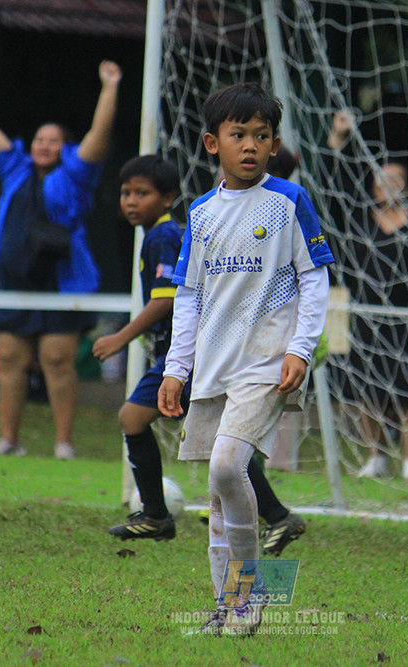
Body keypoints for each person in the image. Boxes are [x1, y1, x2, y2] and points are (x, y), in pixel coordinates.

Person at [158, 82, 334, 636]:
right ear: (213, 143)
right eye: (240, 135)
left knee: (227, 466)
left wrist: (300, 350)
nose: (252, 145)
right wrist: (175, 368)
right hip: (213, 367)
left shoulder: (288, 202)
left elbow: (315, 277)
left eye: (263, 136)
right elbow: (187, 296)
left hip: (265, 363)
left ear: (275, 144)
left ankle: (253, 590)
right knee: (217, 492)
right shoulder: (202, 213)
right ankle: (228, 609)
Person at [97, 155, 306, 555]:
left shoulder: (164, 236)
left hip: (193, 353)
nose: (131, 201)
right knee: (222, 444)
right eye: (126, 193)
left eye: (142, 193)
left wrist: (121, 337)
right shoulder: (166, 232)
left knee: (147, 422)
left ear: (168, 198)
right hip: (194, 352)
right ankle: (273, 515)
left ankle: (159, 514)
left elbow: (168, 299)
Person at [0, 52, 121, 460]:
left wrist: (109, 87)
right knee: (12, 359)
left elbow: (98, 138)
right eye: (39, 139)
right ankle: (8, 439)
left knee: (56, 360)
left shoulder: (76, 174)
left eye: (53, 140)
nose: (45, 145)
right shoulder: (14, 169)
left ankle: (64, 443)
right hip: (13, 278)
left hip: (61, 280)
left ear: (64, 147)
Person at [326, 110, 408, 481]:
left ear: (406, 186)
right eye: (380, 180)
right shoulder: (360, 219)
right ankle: (376, 457)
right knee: (365, 392)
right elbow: (335, 184)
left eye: (394, 180)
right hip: (365, 316)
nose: (386, 186)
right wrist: (339, 139)